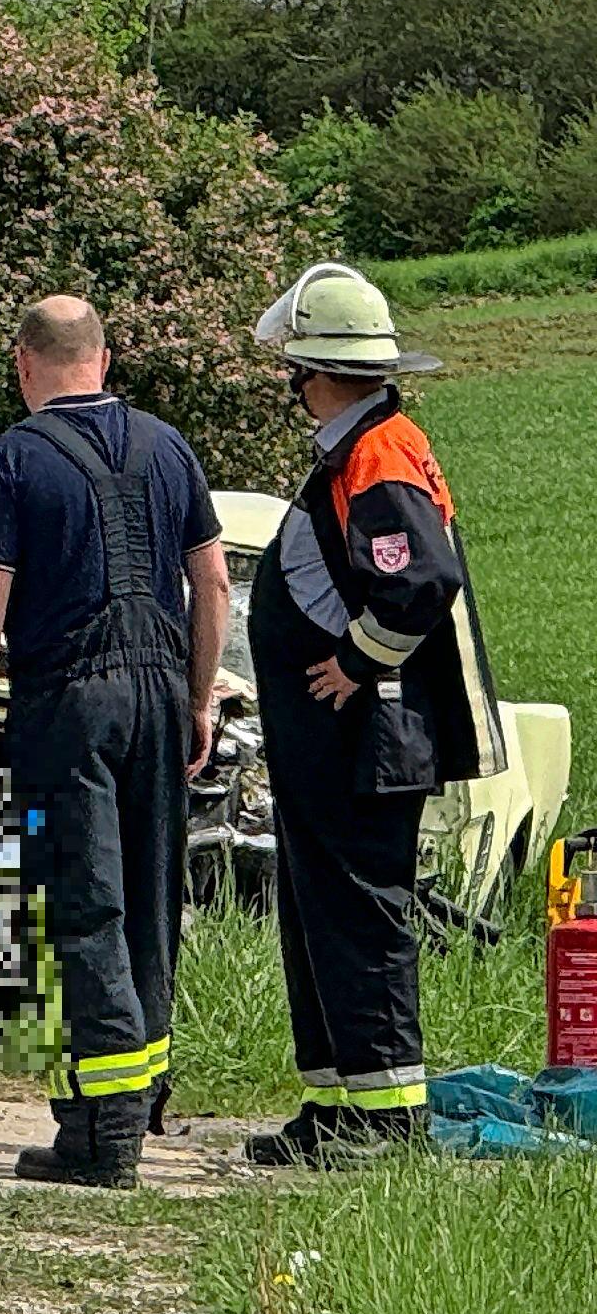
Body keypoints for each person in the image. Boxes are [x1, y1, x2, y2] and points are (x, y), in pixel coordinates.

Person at [0, 297, 228, 1189]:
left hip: (68, 698)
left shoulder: (17, 456)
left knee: (85, 903)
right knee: (150, 899)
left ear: (25, 363)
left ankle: (102, 1138)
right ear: (102, 359)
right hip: (159, 691)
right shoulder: (167, 444)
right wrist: (199, 701)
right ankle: (140, 1099)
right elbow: (213, 582)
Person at [242, 265, 507, 1166]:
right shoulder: (362, 446)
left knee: (359, 918)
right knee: (320, 914)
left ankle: (383, 1124)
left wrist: (356, 662)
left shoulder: (377, 453)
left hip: (369, 735)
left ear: (315, 373)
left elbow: (420, 580)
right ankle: (335, 1110)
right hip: (336, 742)